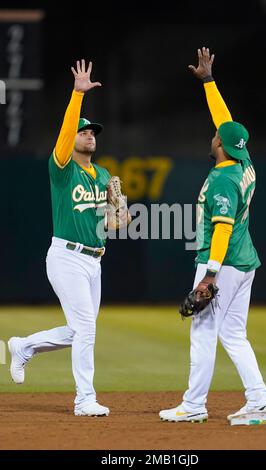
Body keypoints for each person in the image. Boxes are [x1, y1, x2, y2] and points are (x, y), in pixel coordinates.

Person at [159, 47, 266, 423]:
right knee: (234, 334)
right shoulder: (243, 160)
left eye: (216, 136)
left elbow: (222, 229)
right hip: (246, 263)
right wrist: (209, 82)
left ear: (220, 147)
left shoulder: (224, 178)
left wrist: (210, 274)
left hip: (222, 261)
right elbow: (226, 122)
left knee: (204, 332)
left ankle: (193, 406)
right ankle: (258, 397)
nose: (213, 135)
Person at [8, 59, 130, 417]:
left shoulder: (104, 173)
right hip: (66, 257)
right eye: (84, 131)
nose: (90, 135)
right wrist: (77, 95)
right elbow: (64, 134)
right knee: (86, 328)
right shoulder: (61, 167)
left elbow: (111, 223)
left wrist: (120, 215)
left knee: (80, 330)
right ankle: (84, 399)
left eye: (93, 132)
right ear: (72, 139)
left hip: (95, 260)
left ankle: (24, 345)